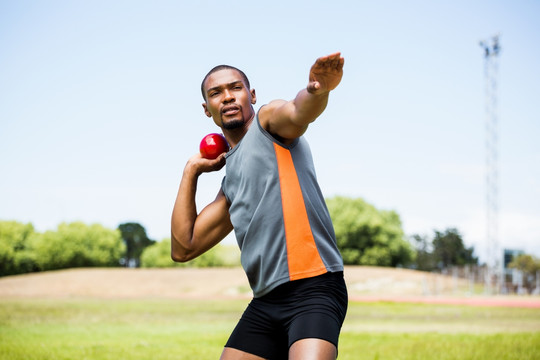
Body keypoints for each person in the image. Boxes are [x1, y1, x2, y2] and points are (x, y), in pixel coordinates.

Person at [171, 52, 348, 360]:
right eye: (216, 93)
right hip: (265, 302)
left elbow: (296, 113)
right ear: (207, 109)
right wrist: (191, 171)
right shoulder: (230, 185)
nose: (227, 97)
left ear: (251, 94)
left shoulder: (268, 124)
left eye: (235, 88)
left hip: (314, 288)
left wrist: (317, 91)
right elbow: (183, 247)